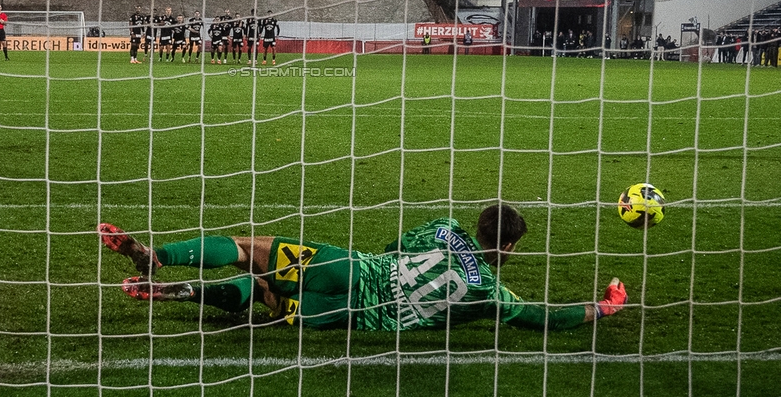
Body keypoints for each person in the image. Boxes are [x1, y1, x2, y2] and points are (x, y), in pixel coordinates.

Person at [98, 204, 628, 332]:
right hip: (358, 312)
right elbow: (541, 317)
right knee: (267, 296)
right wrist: (602, 306)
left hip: (352, 266)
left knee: (249, 249)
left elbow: (397, 243)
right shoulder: (487, 290)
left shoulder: (445, 229)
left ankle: (156, 257)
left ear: (479, 225)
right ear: (509, 249)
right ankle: (182, 292)